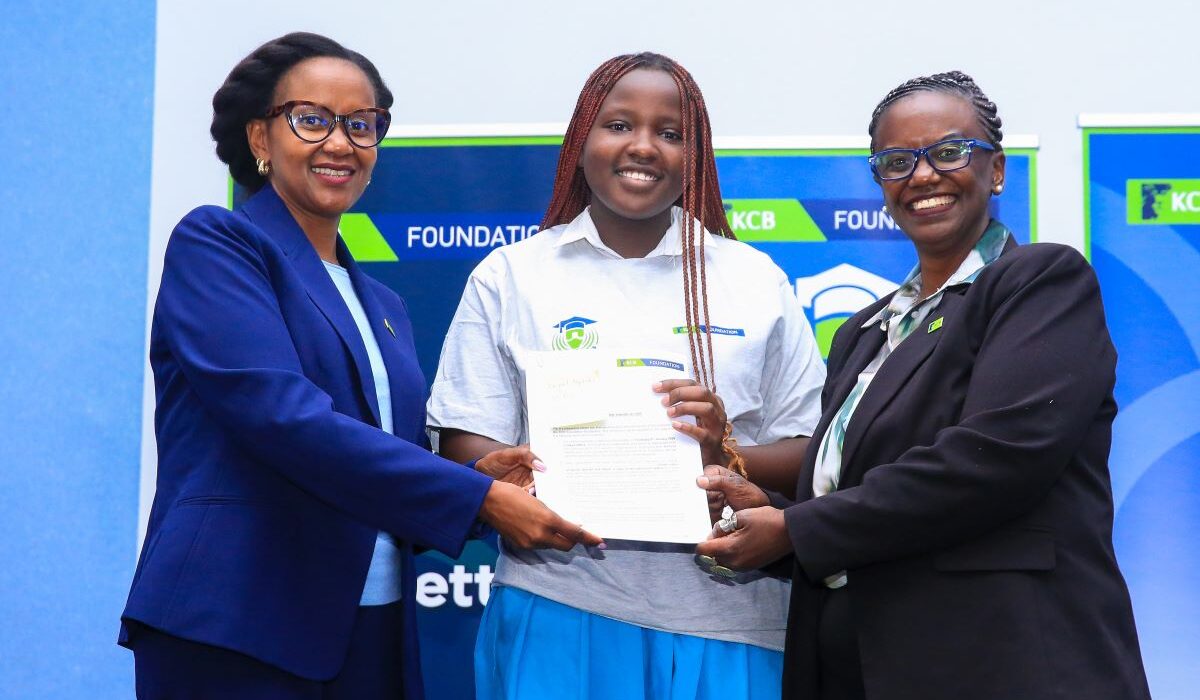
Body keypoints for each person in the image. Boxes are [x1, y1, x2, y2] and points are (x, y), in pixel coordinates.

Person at [119, 32, 599, 700]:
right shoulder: (219, 243)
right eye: (312, 120)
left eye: (361, 125)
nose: (340, 143)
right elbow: (281, 418)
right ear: (261, 137)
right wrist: (475, 497)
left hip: (371, 627)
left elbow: (379, 456)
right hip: (237, 621)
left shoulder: (383, 303)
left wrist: (475, 482)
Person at [696, 71, 1152, 700]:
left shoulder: (1039, 282)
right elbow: (856, 487)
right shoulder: (864, 331)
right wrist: (766, 511)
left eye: (949, 152)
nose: (923, 175)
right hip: (856, 663)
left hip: (1003, 664)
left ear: (996, 172)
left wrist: (797, 530)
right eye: (897, 161)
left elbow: (992, 458)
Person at [427, 52, 826, 699]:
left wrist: (722, 451)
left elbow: (812, 451)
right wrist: (512, 467)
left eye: (670, 133)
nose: (644, 146)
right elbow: (463, 440)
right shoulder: (512, 275)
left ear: (695, 155)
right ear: (581, 139)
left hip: (728, 621)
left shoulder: (755, 281)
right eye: (618, 124)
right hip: (559, 606)